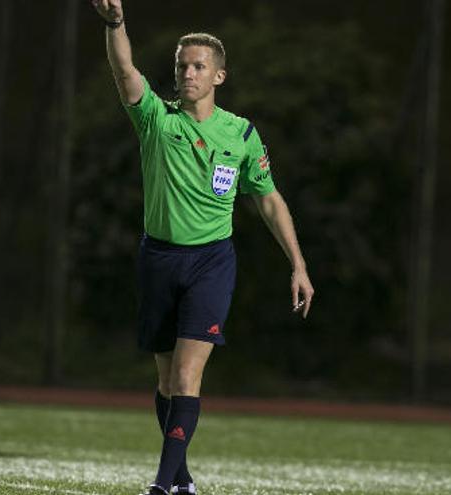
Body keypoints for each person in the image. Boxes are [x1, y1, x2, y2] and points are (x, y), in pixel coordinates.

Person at [91, 2, 315, 494]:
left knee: (189, 377)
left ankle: (160, 485)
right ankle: (184, 481)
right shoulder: (156, 119)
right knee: (168, 383)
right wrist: (115, 23)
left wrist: (297, 264)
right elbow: (124, 68)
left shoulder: (240, 134)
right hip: (158, 259)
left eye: (197, 66)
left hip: (211, 262)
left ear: (219, 76)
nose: (187, 73)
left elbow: (270, 201)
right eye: (181, 65)